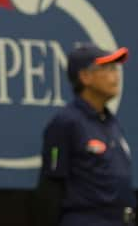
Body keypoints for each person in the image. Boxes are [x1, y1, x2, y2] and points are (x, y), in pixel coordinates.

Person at [34, 43, 136, 226]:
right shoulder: (66, 122)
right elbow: (51, 188)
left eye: (116, 68)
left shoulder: (112, 123)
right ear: (85, 76)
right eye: (107, 68)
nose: (116, 75)